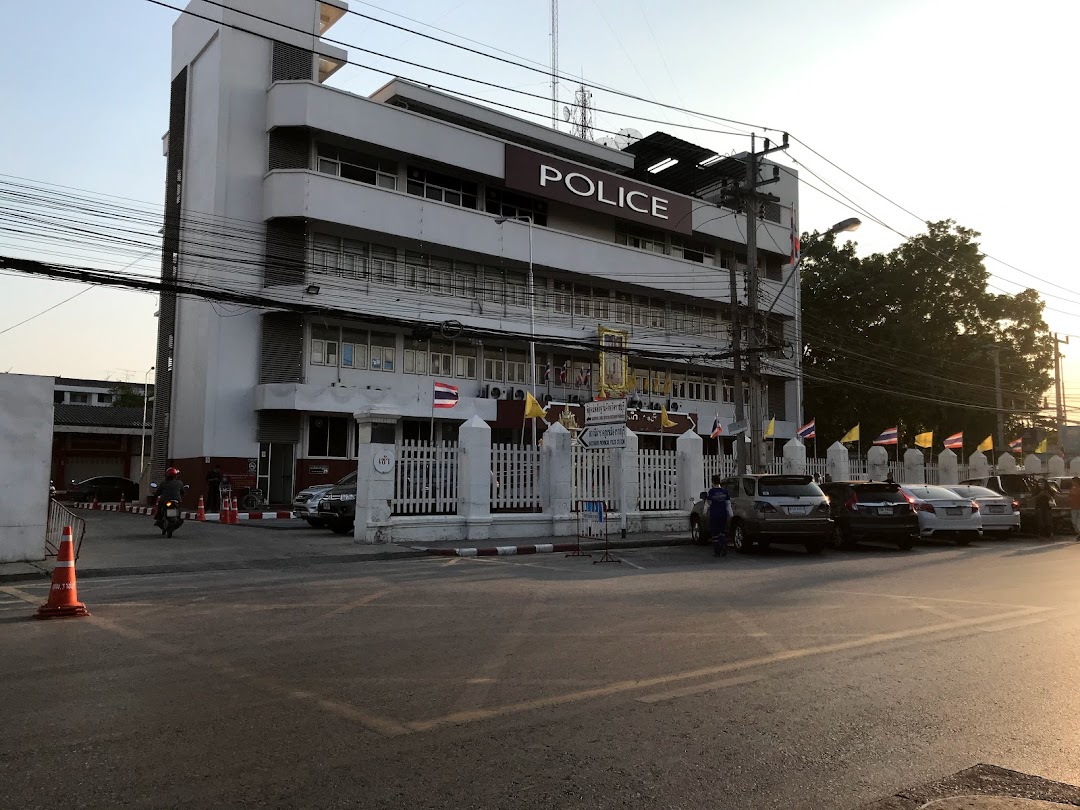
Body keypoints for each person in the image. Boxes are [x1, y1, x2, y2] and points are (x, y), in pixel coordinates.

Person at [706, 474, 733, 558]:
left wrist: (705, 512)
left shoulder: (711, 492)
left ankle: (717, 551)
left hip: (714, 515)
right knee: (722, 532)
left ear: (712, 482)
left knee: (715, 533)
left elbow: (708, 504)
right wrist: (731, 515)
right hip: (723, 515)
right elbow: (728, 505)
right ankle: (724, 546)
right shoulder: (725, 491)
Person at [1070, 477, 1080, 542]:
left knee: (1079, 522)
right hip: (1074, 507)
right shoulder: (1072, 489)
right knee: (1074, 522)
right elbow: (1069, 496)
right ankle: (1079, 533)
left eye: (1073, 482)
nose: (1072, 483)